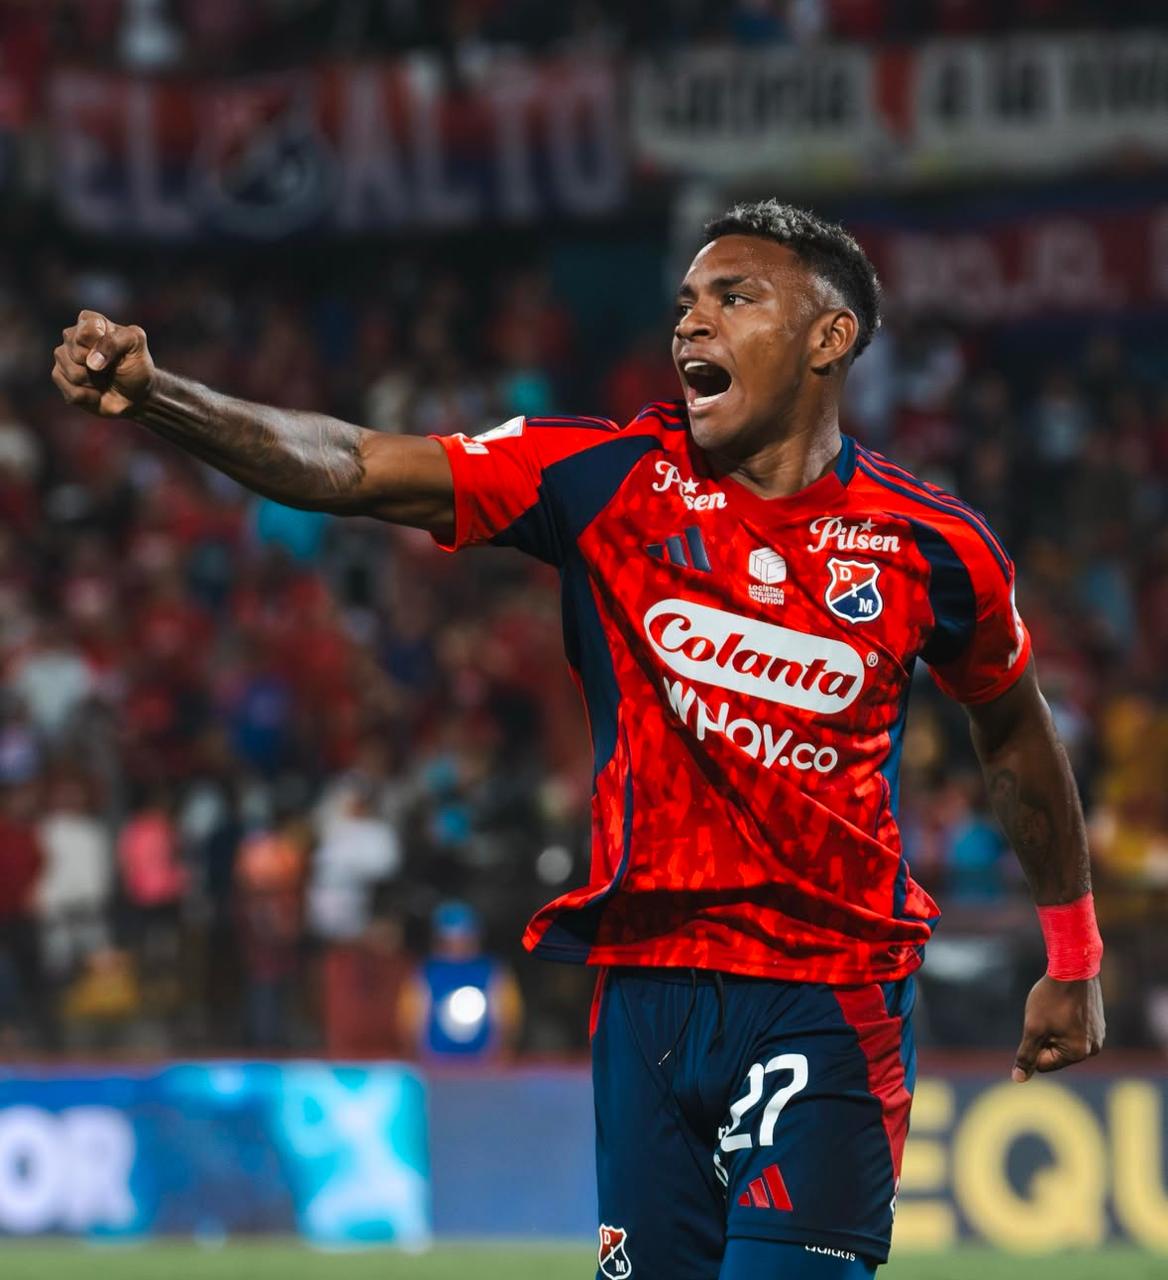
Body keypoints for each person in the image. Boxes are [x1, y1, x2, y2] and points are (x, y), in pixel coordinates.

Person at [52, 200, 1105, 1278]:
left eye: (735, 297)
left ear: (828, 338)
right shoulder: (610, 478)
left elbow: (1014, 733)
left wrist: (1071, 955)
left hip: (827, 991)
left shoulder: (929, 545)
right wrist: (160, 395)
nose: (692, 322)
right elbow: (357, 464)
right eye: (685, 302)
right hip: (643, 997)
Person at [399, 900, 523, 1062]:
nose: (457, 944)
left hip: (483, 1063)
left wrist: (503, 1054)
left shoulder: (493, 971)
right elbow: (409, 1022)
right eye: (450, 939)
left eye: (463, 937)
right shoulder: (426, 972)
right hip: (435, 1062)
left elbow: (509, 1021)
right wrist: (415, 1056)